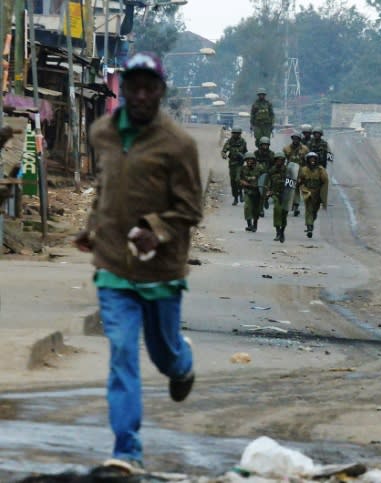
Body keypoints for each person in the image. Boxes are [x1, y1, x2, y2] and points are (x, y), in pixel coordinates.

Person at [73, 52, 200, 474]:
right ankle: (126, 450)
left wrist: (155, 229)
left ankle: (182, 365)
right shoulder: (103, 132)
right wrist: (92, 227)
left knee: (164, 356)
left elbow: (190, 208)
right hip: (112, 264)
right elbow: (105, 187)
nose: (142, 95)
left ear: (161, 91)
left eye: (151, 87)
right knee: (123, 352)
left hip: (160, 270)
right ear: (122, 88)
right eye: (134, 86)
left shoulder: (178, 144)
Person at [298, 152, 329, 238]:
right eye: (310, 158)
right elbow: (300, 179)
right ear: (307, 160)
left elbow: (325, 180)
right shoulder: (304, 169)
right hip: (307, 191)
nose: (312, 160)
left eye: (314, 159)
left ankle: (311, 222)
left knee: (314, 211)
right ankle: (309, 227)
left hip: (317, 192)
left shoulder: (320, 169)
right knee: (309, 209)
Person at [240, 152, 268, 232]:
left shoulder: (260, 168)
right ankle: (249, 224)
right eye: (247, 160)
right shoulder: (243, 169)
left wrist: (265, 189)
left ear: (254, 160)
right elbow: (240, 178)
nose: (249, 161)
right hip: (248, 191)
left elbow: (265, 178)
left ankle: (255, 224)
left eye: (251, 160)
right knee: (247, 207)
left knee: (256, 209)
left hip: (258, 192)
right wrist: (242, 182)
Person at [283, 132, 309, 216]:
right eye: (294, 138)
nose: (295, 140)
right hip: (290, 171)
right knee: (289, 188)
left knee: (297, 188)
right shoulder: (286, 148)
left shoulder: (304, 149)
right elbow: (283, 160)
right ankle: (288, 206)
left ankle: (296, 206)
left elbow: (307, 161)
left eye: (297, 138)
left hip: (300, 171)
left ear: (300, 139)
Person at [221, 126, 248, 205]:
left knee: (238, 179)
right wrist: (224, 155)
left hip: (240, 164)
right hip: (232, 164)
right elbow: (224, 151)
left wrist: (245, 157)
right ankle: (235, 197)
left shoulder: (243, 141)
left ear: (240, 134)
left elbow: (246, 151)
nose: (236, 135)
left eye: (237, 134)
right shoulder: (229, 141)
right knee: (233, 182)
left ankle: (240, 193)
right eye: (234, 133)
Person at [266, 153, 289, 243]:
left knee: (284, 214)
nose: (279, 162)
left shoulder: (287, 170)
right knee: (277, 211)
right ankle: (277, 232)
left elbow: (292, 182)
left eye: (281, 160)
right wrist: (268, 191)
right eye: (278, 160)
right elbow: (268, 182)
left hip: (286, 195)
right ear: (275, 161)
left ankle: (282, 232)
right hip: (276, 194)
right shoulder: (272, 171)